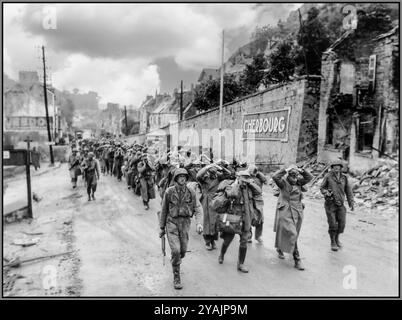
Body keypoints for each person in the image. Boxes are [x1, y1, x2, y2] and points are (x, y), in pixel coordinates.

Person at [159, 168, 203, 290]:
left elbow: (198, 208)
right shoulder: (169, 192)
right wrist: (162, 227)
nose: (182, 178)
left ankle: (175, 259)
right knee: (177, 250)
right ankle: (176, 277)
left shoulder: (191, 192)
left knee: (182, 251)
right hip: (171, 223)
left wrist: (199, 223)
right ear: (176, 179)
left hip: (185, 223)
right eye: (180, 177)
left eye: (184, 176)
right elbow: (163, 210)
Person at [214, 171, 261, 273]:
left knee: (244, 241)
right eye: (243, 177)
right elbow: (232, 194)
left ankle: (241, 264)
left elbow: (259, 192)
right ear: (238, 177)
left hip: (246, 218)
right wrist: (237, 183)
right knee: (227, 240)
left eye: (247, 177)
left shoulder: (249, 188)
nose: (245, 179)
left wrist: (250, 183)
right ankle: (222, 254)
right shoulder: (230, 186)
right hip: (233, 218)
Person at [272, 165, 313, 270]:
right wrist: (285, 170)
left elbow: (309, 177)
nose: (295, 178)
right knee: (292, 233)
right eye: (292, 175)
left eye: (296, 175)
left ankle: (280, 248)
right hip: (286, 210)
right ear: (288, 175)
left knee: (294, 233)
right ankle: (297, 259)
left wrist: (301, 170)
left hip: (298, 210)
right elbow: (275, 176)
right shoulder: (283, 183)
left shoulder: (299, 182)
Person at [320, 160, 354, 251]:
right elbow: (322, 187)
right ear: (332, 168)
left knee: (342, 224)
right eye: (334, 167)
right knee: (332, 224)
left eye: (338, 167)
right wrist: (326, 192)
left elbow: (348, 191)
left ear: (340, 168)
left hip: (341, 205)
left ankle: (337, 238)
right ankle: (333, 242)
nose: (336, 168)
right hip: (330, 204)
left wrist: (351, 203)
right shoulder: (328, 176)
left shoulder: (344, 178)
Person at [196, 163, 223, 250]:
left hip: (215, 201)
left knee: (215, 222)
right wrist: (207, 167)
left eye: (214, 173)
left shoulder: (218, 179)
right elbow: (198, 176)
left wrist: (219, 167)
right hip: (206, 201)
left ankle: (213, 240)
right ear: (208, 173)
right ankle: (207, 242)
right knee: (206, 221)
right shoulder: (204, 179)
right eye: (211, 173)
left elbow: (228, 174)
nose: (213, 175)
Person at [247, 164, 267, 243]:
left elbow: (265, 181)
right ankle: (248, 236)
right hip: (249, 200)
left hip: (258, 200)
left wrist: (257, 172)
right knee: (248, 218)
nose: (253, 173)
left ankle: (258, 236)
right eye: (252, 172)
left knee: (260, 218)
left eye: (254, 172)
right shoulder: (246, 177)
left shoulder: (259, 177)